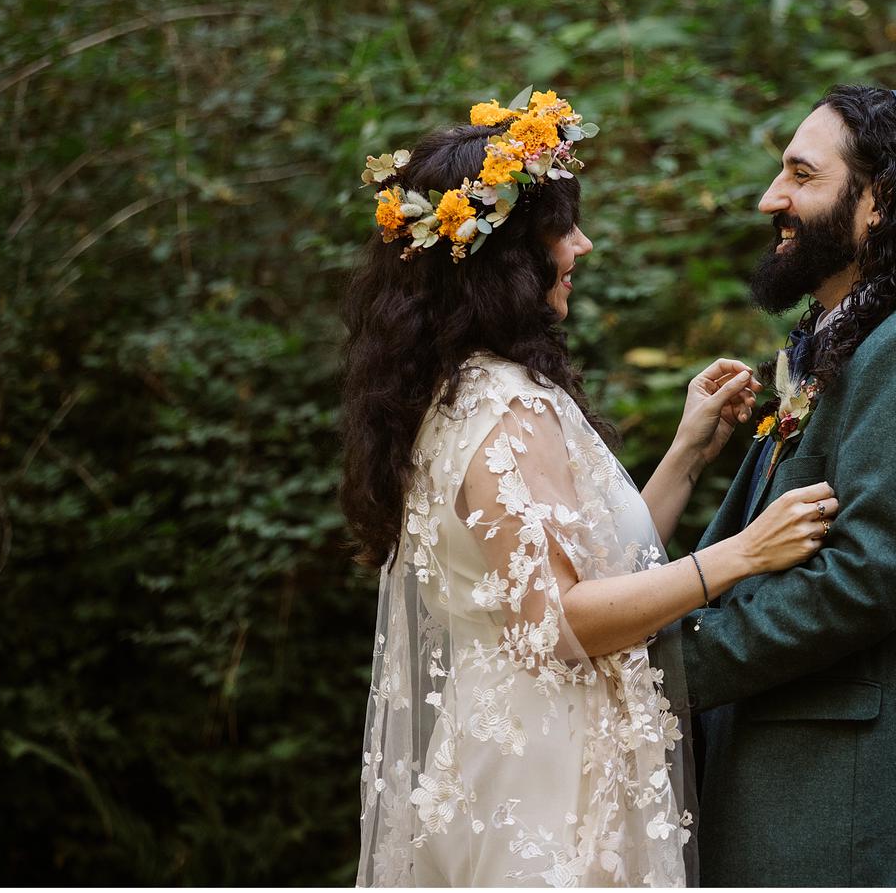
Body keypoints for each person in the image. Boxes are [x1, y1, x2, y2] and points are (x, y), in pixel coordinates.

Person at [340, 89, 838, 887]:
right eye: (562, 231)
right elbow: (564, 621)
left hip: (498, 745)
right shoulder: (509, 407)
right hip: (548, 763)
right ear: (510, 258)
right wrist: (741, 555)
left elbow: (587, 567)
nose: (584, 245)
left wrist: (685, 452)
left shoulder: (456, 393)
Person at [678, 85, 896, 886]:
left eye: (801, 175)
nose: (772, 197)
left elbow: (859, 578)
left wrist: (668, 664)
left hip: (859, 821)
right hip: (795, 803)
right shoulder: (842, 349)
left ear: (878, 203)